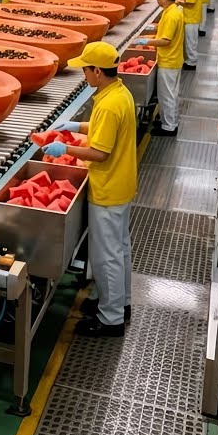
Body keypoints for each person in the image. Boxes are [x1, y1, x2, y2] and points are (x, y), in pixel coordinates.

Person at [41, 41, 138, 337]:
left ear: (97, 70)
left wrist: (63, 147)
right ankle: (119, 302)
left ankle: (110, 320)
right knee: (119, 249)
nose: (84, 74)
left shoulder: (108, 105)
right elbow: (100, 131)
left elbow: (99, 152)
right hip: (121, 184)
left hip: (107, 188)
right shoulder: (118, 93)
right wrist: (75, 126)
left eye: (85, 69)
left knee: (105, 255)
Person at [135, 0, 185, 136]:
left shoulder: (171, 15)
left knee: (167, 95)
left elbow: (166, 40)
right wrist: (148, 37)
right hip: (173, 58)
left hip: (169, 60)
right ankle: (170, 121)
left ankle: (169, 127)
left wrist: (146, 42)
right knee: (171, 94)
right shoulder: (171, 11)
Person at [179, 0, 202, 70]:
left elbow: (190, 2)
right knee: (189, 41)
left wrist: (178, 2)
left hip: (192, 18)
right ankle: (189, 60)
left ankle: (191, 63)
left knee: (190, 42)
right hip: (190, 17)